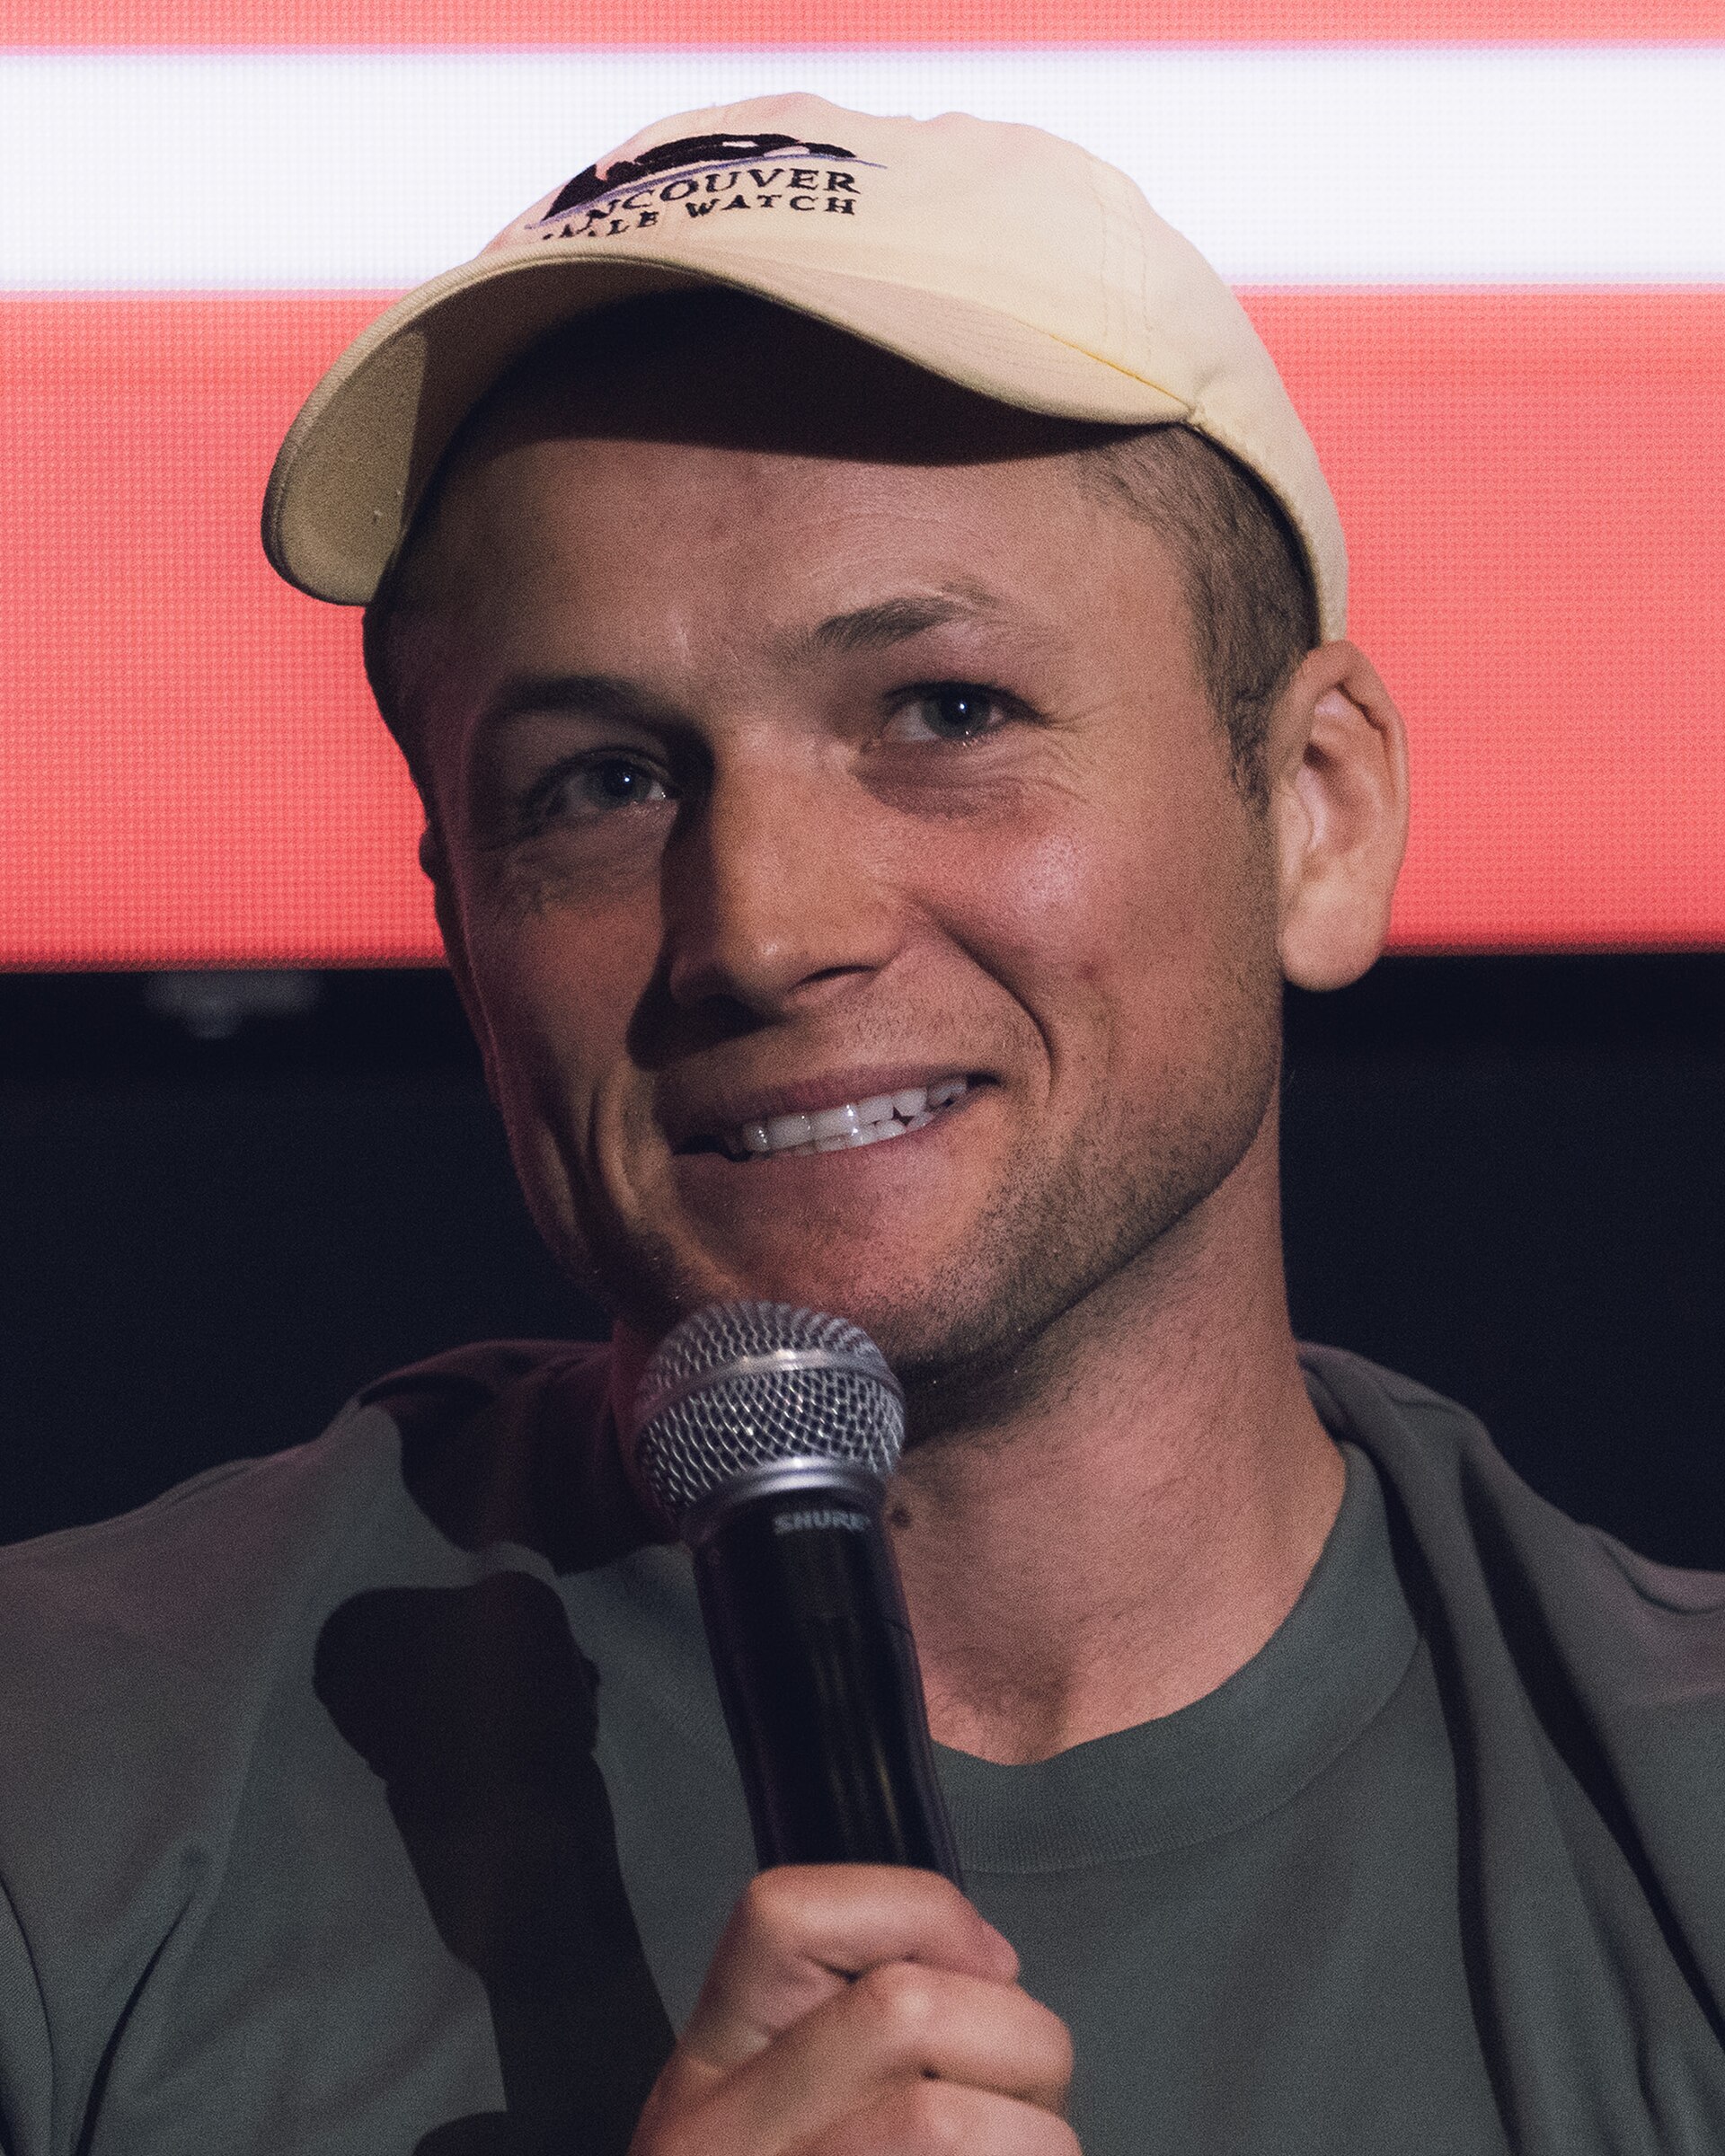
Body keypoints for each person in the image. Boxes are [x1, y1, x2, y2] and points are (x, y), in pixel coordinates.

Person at [4, 89, 1724, 2156]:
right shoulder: (63, 1788)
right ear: (462, 929)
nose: (762, 927)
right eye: (597, 783)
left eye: (946, 714)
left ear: (1315, 813)